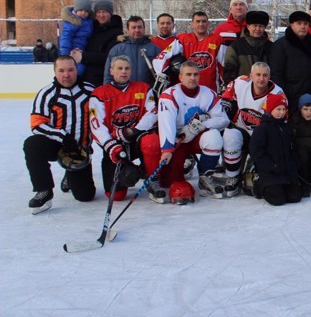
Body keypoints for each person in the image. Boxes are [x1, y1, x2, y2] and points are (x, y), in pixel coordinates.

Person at [145, 61, 229, 203]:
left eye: (195, 74)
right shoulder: (169, 95)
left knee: (214, 137)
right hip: (177, 140)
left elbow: (223, 119)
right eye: (188, 74)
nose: (192, 78)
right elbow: (167, 124)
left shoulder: (208, 93)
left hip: (196, 137)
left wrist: (201, 125)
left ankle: (205, 178)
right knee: (169, 183)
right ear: (180, 77)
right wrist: (167, 149)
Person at [24, 56, 96, 213]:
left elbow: (100, 120)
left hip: (79, 150)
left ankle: (69, 173)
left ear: (77, 70)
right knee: (32, 144)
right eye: (61, 71)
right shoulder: (46, 94)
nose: (66, 75)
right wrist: (63, 136)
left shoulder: (90, 91)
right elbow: (37, 124)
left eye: (71, 70)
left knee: (85, 196)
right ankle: (44, 190)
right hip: (56, 144)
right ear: (55, 72)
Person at [88, 56, 158, 201]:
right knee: (116, 196)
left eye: (127, 68)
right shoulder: (100, 93)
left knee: (152, 142)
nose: (124, 72)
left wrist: (134, 131)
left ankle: (151, 178)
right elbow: (96, 125)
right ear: (111, 71)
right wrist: (111, 145)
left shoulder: (143, 88)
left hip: (137, 139)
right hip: (115, 145)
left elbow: (153, 113)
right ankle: (131, 168)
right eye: (119, 68)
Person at [216, 62, 285, 197]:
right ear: (251, 75)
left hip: (263, 137)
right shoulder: (240, 82)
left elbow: (280, 125)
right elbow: (225, 100)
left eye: (265, 75)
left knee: (252, 181)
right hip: (241, 129)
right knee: (230, 134)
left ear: (270, 76)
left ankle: (252, 166)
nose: (261, 79)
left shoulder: (277, 94)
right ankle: (233, 176)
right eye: (258, 75)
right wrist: (228, 106)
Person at [250, 93, 305, 205]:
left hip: (286, 171)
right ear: (270, 109)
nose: (281, 112)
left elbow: (292, 148)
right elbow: (256, 151)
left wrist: (293, 164)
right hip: (270, 171)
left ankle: (283, 186)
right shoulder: (262, 129)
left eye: (284, 109)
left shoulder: (286, 127)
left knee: (295, 197)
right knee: (277, 200)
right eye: (278, 109)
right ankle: (259, 185)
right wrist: (271, 166)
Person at [153, 11, 225, 92]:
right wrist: (161, 74)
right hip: (186, 90)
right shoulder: (183, 39)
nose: (201, 24)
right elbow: (162, 57)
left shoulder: (217, 40)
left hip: (210, 89)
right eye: (198, 21)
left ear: (208, 23)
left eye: (203, 21)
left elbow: (224, 65)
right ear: (192, 23)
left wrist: (225, 85)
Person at [269, 10, 311, 112]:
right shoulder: (280, 45)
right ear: (291, 25)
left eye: (305, 23)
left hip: (310, 98)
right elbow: (276, 74)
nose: (302, 26)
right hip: (290, 98)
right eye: (299, 23)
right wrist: (284, 96)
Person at [73, 0, 124, 87]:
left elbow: (109, 57)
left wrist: (83, 56)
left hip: (102, 78)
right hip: (86, 76)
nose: (101, 15)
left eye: (104, 12)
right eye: (98, 12)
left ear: (110, 14)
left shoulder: (116, 33)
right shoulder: (92, 29)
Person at [103, 16, 161, 87]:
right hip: (124, 93)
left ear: (144, 28)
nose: (137, 30)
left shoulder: (154, 49)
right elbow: (108, 74)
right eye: (133, 27)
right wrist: (108, 91)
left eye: (139, 27)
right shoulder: (117, 49)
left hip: (147, 91)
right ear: (128, 30)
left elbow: (161, 74)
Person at [222, 10, 272, 85]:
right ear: (248, 26)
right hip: (242, 89)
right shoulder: (236, 46)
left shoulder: (271, 47)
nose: (258, 29)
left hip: (266, 90)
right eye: (255, 25)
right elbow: (229, 71)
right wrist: (233, 88)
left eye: (261, 26)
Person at [59, 0, 94, 78]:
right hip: (72, 51)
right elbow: (66, 37)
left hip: (82, 50)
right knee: (77, 70)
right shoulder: (73, 22)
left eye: (86, 11)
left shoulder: (88, 21)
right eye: (81, 10)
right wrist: (66, 55)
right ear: (76, 10)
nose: (83, 13)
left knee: (82, 69)